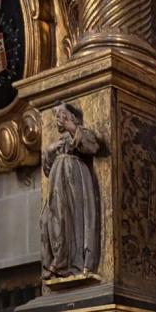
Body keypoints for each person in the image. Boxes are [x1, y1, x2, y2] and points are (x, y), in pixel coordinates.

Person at [40, 102, 102, 283]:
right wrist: (49, 152)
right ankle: (57, 260)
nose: (58, 119)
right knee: (48, 219)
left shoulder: (81, 132)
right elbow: (46, 170)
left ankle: (70, 263)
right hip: (56, 184)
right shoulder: (57, 143)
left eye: (62, 114)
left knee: (71, 218)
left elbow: (93, 147)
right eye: (56, 115)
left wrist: (72, 129)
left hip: (73, 180)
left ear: (72, 117)